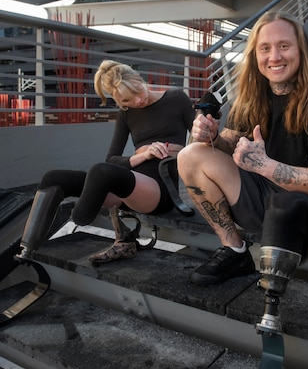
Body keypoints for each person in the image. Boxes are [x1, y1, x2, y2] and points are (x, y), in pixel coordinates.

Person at [177, 11, 308, 286]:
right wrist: (213, 137)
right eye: (265, 48)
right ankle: (234, 250)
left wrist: (264, 165)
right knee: (191, 155)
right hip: (262, 199)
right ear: (255, 55)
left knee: (287, 203)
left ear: (301, 50)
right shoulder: (249, 97)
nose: (274, 57)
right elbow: (231, 144)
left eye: (284, 46)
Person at [19, 60, 195, 265]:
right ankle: (27, 247)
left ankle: (79, 218)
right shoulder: (126, 114)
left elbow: (200, 143)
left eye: (137, 92)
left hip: (160, 189)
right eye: (127, 100)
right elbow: (112, 158)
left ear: (139, 79)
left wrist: (181, 150)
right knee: (53, 177)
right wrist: (143, 154)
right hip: (130, 182)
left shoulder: (176, 98)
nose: (137, 100)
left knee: (100, 172)